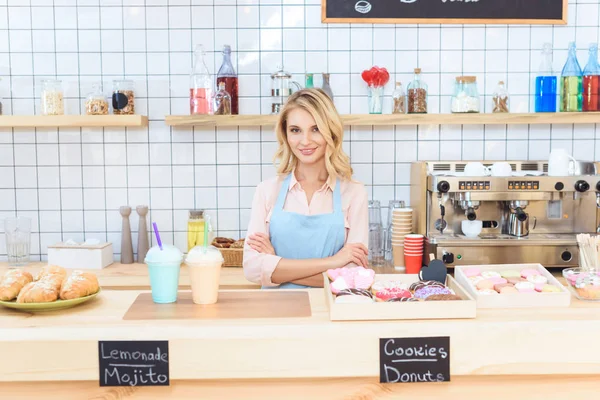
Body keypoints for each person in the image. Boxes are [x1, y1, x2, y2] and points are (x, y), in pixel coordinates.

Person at [243, 89, 369, 289]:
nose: (305, 141)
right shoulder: (266, 191)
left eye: (316, 129)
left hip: (331, 314)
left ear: (331, 131)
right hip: (275, 311)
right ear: (285, 134)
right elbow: (251, 269)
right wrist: (334, 262)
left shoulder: (354, 193)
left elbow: (354, 278)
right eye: (295, 130)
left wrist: (276, 263)